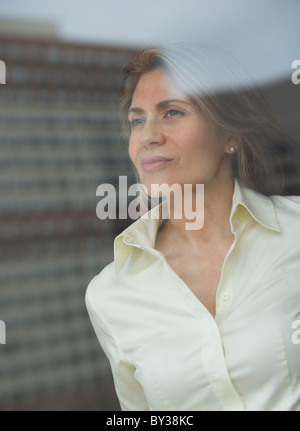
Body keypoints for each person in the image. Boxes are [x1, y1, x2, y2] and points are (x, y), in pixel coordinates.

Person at [85, 42, 300, 411]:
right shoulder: (110, 294)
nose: (148, 136)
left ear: (229, 135)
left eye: (172, 112)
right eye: (138, 120)